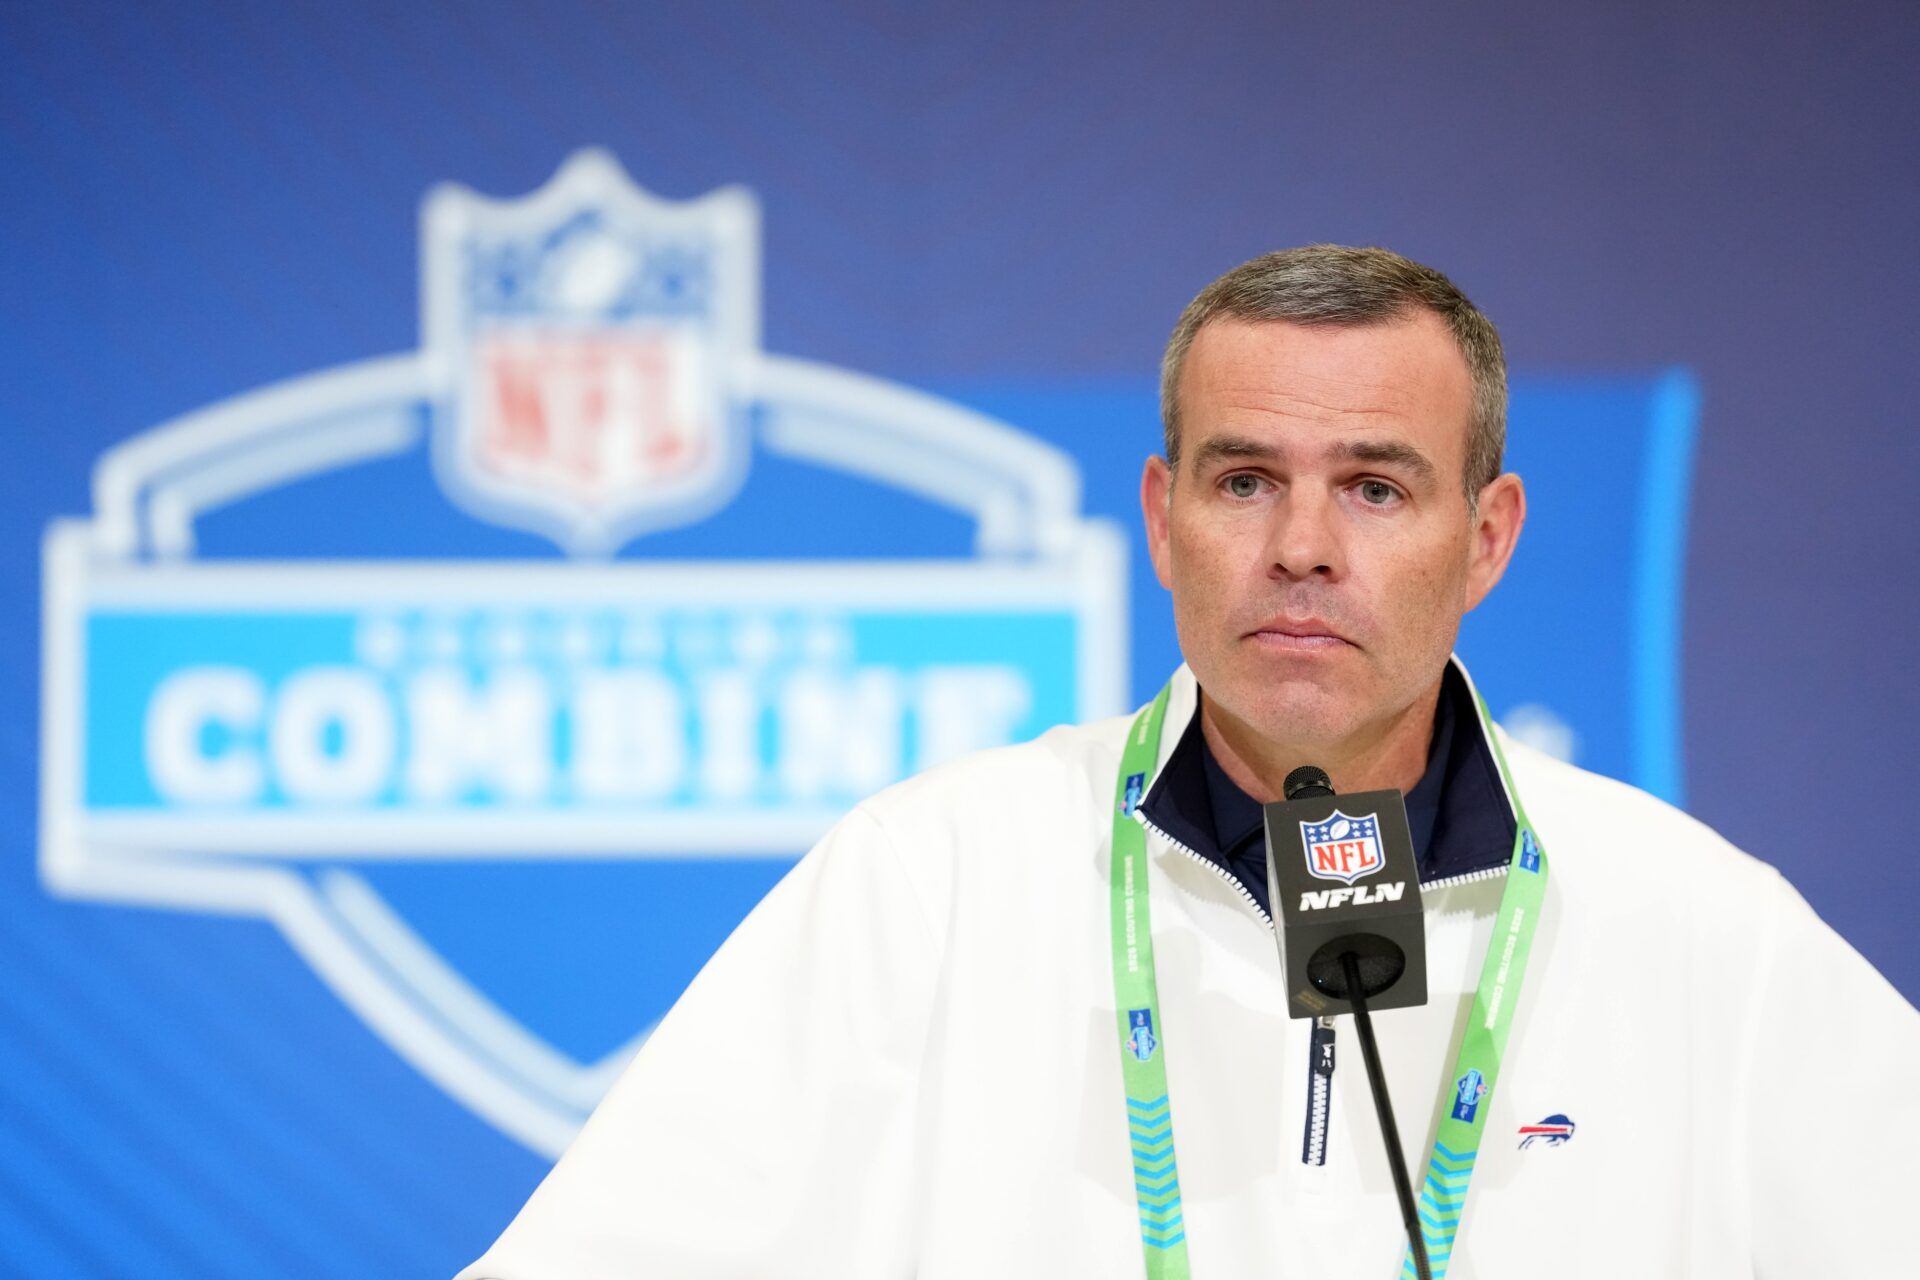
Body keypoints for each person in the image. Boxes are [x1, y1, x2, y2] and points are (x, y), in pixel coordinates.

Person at [459, 247, 1920, 1278]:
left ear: (1488, 539)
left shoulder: (1695, 927)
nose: (1300, 545)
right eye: (1244, 481)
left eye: (1373, 485)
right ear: (1162, 521)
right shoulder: (938, 878)